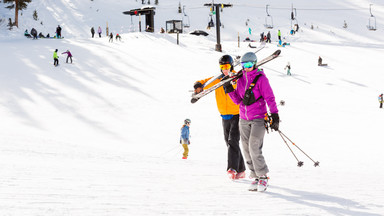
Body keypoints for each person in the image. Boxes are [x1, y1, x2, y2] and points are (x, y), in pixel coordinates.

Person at [224, 52, 279, 191]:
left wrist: (275, 115)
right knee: (246, 149)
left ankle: (263, 176)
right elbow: (237, 100)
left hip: (258, 118)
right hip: (243, 119)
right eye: (243, 65)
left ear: (254, 64)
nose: (246, 68)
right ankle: (255, 176)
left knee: (254, 147)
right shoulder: (241, 78)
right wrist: (230, 89)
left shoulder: (261, 79)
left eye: (249, 65)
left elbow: (270, 98)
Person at [193, 55, 246, 180]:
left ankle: (232, 168)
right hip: (224, 115)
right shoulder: (218, 79)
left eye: (227, 66)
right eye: (222, 67)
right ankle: (241, 170)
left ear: (231, 66)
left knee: (233, 141)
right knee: (229, 142)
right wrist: (198, 86)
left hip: (237, 114)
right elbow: (204, 83)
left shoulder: (236, 78)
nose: (225, 69)